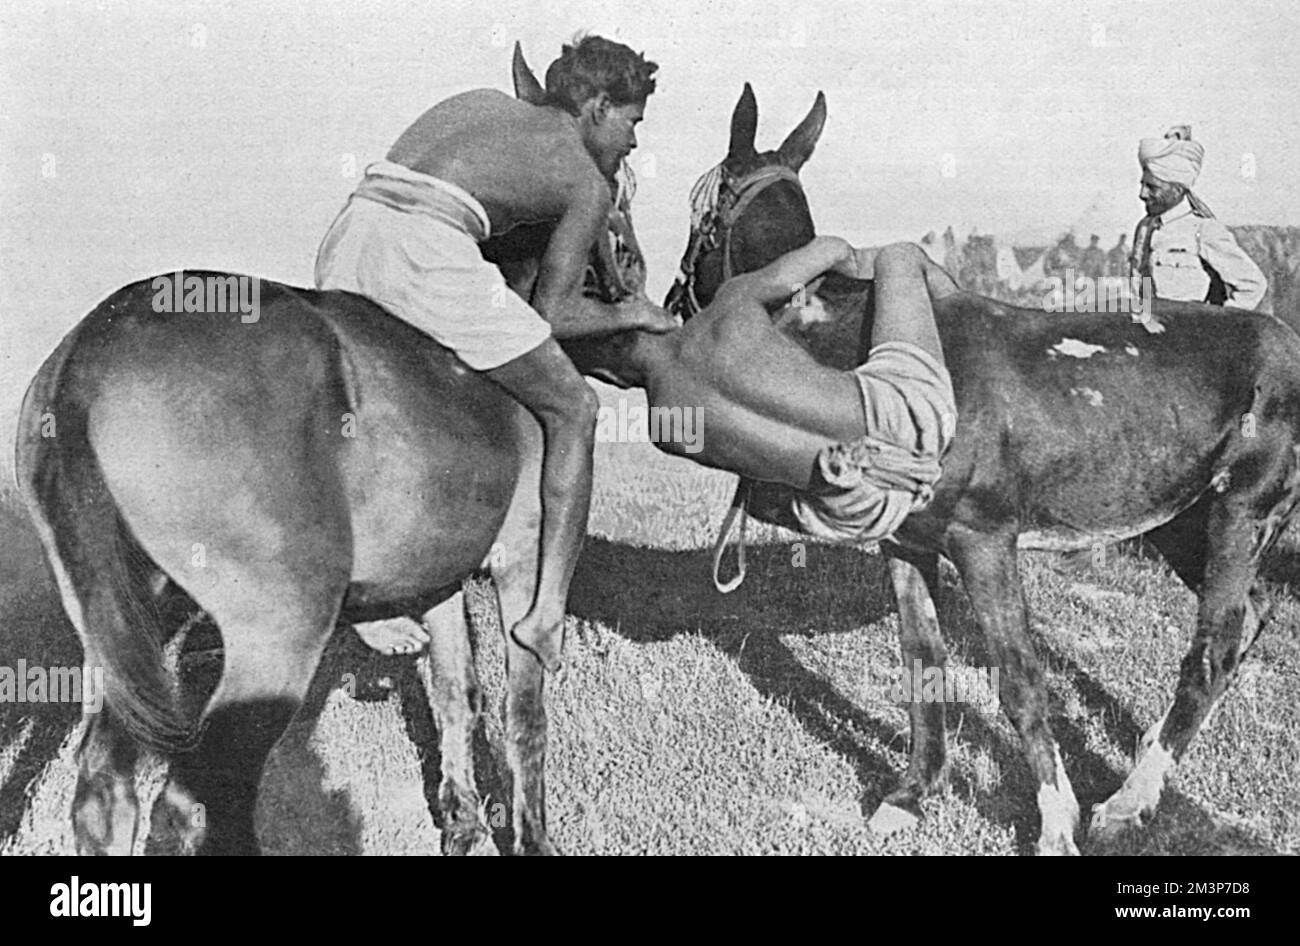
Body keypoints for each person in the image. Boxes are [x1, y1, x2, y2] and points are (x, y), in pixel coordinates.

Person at [314, 35, 675, 669]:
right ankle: (547, 613)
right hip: (422, 250)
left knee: (376, 411)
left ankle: (359, 592)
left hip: (349, 234)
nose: (634, 142)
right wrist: (631, 312)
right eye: (632, 121)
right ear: (596, 104)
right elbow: (553, 314)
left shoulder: (477, 102)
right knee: (574, 408)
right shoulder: (585, 183)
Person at [620, 238, 957, 543]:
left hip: (864, 512)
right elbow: (835, 250)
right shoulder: (731, 305)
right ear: (647, 315)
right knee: (899, 256)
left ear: (615, 377)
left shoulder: (665, 427)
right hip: (908, 417)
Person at [1131, 125, 1267, 309]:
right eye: (1143, 185)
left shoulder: (1204, 230)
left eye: (1151, 187)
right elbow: (1137, 288)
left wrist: (1221, 325)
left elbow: (1252, 285)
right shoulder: (1145, 228)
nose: (1142, 194)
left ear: (1177, 189)